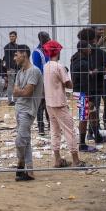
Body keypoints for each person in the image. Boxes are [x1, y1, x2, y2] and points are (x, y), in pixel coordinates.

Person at [42, 41, 85, 169]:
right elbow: (68, 84)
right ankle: (76, 160)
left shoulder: (46, 66)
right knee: (69, 131)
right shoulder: (59, 66)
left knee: (54, 131)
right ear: (57, 51)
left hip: (49, 103)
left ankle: (57, 159)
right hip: (59, 102)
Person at [12, 44, 41, 181]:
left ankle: (20, 164)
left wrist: (20, 91)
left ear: (24, 54)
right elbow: (15, 92)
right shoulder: (20, 72)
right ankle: (29, 171)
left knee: (20, 140)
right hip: (19, 109)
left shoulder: (34, 71)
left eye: (16, 55)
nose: (14, 58)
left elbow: (28, 93)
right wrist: (20, 92)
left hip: (28, 111)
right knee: (26, 140)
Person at [70, 41, 99, 152]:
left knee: (91, 113)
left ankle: (97, 135)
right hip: (84, 93)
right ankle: (82, 144)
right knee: (84, 117)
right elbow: (84, 80)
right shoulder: (83, 62)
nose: (90, 49)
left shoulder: (74, 59)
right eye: (89, 47)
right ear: (83, 49)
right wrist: (90, 97)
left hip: (79, 91)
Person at [1, 31, 22, 106]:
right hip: (11, 68)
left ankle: (16, 99)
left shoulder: (18, 46)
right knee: (10, 84)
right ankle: (10, 100)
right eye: (10, 36)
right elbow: (6, 59)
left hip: (18, 68)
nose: (11, 38)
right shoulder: (7, 47)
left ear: (16, 37)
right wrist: (8, 69)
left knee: (18, 84)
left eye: (13, 36)